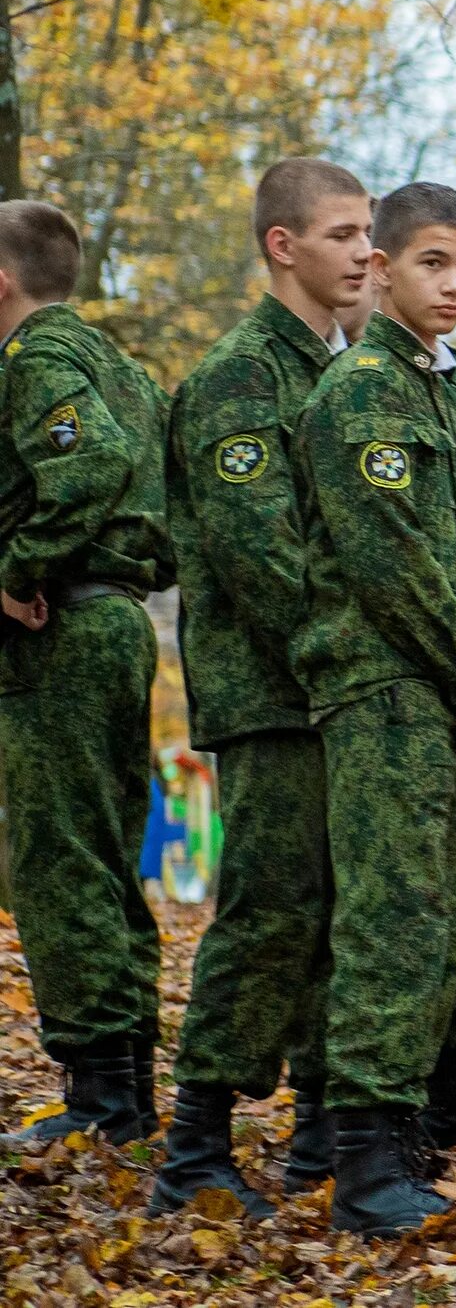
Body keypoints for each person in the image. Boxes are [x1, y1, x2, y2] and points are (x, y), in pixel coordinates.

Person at [290, 181, 456, 1234]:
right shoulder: (358, 394)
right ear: (381, 267)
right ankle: (362, 1160)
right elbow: (389, 564)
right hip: (385, 685)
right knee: (395, 911)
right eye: (433, 263)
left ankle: (420, 1126)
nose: (454, 285)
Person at [153, 159, 373, 1215]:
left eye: (369, 232)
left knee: (337, 911)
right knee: (271, 910)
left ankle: (323, 1129)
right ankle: (195, 1143)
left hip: (341, 690)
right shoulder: (241, 378)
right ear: (283, 246)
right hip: (275, 695)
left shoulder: (346, 369)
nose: (366, 253)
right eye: (343, 234)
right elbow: (263, 560)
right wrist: (362, 653)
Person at [0, 201, 174, 1152]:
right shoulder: (124, 369)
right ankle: (126, 1088)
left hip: (59, 628)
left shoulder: (35, 359)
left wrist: (18, 568)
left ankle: (102, 1097)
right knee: (104, 853)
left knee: (59, 858)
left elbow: (92, 464)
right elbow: (164, 498)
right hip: (114, 617)